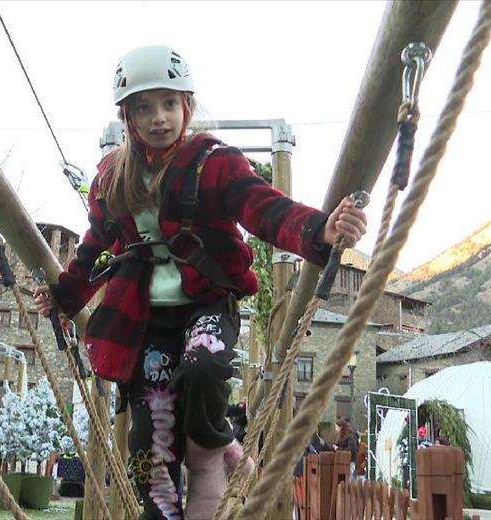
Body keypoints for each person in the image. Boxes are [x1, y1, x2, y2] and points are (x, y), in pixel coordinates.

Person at [34, 45, 368, 520]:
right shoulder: (113, 177)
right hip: (146, 320)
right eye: (144, 107)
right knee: (152, 439)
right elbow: (93, 249)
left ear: (185, 106)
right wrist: (64, 297)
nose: (159, 118)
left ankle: (213, 448)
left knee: (203, 368)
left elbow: (262, 207)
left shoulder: (213, 162)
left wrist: (319, 230)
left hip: (206, 302)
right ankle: (175, 496)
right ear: (127, 116)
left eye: (169, 104)